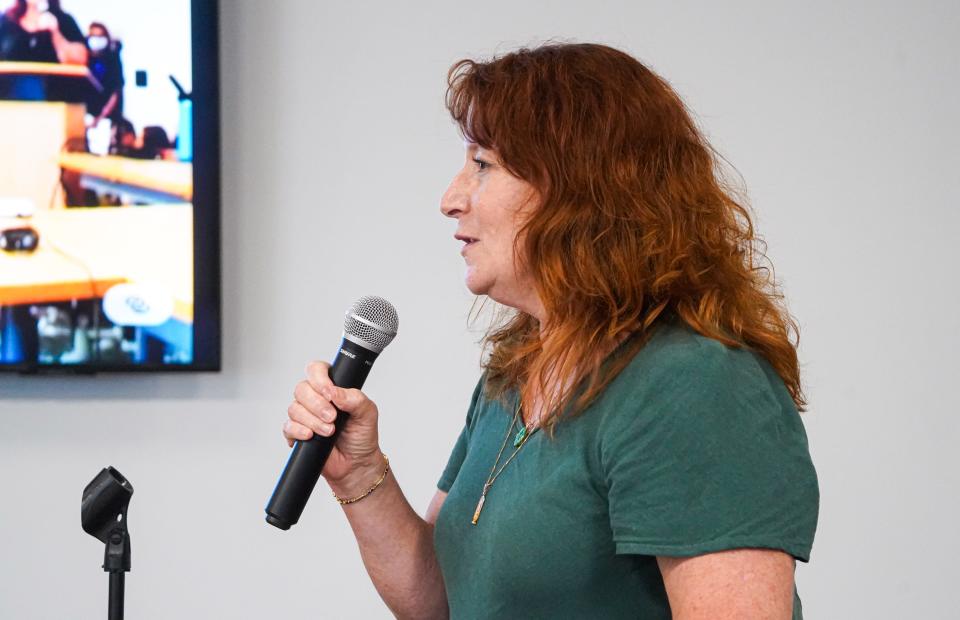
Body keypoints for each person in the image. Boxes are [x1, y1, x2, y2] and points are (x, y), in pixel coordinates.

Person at [283, 42, 819, 619]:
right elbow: (446, 602)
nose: (450, 199)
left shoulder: (698, 386)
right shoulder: (515, 371)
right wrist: (360, 472)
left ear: (577, 188)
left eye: (482, 165)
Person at [0, 0, 87, 100]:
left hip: (53, 96)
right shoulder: (7, 21)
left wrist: (55, 32)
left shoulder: (64, 20)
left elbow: (80, 60)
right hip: (9, 95)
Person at [84, 21, 124, 128]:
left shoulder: (113, 60)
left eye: (100, 37)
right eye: (93, 36)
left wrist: (100, 118)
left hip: (106, 119)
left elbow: (116, 91)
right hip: (85, 115)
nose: (96, 41)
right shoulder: (84, 59)